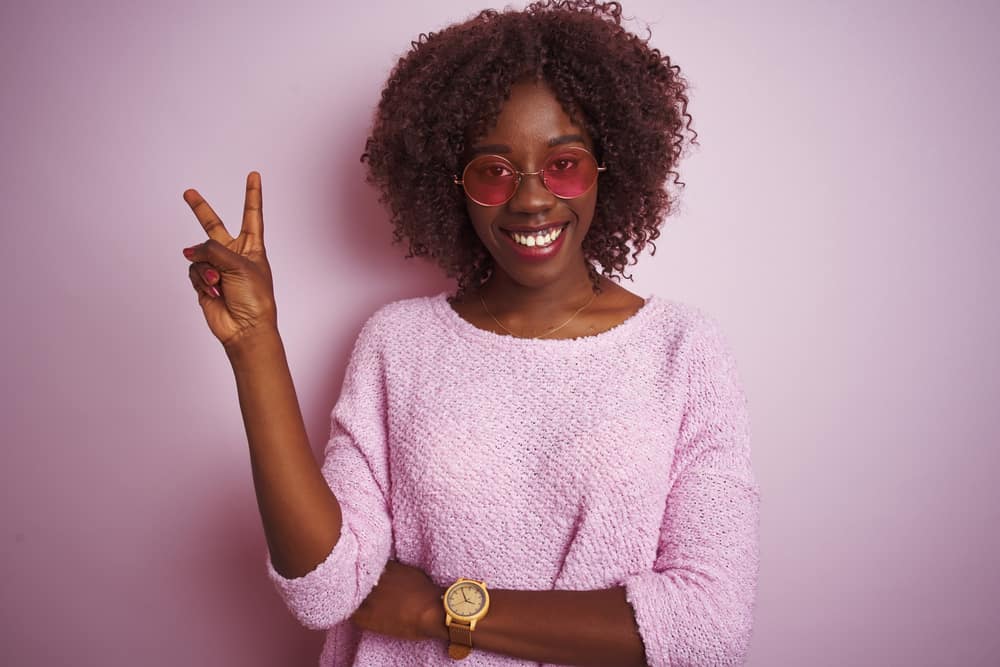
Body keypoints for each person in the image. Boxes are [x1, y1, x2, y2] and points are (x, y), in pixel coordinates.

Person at [180, 1, 761, 665]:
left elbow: (709, 627)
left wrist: (443, 607)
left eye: (564, 163)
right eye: (494, 169)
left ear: (610, 165)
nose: (532, 198)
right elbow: (325, 590)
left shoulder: (684, 351)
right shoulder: (398, 344)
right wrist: (256, 347)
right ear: (452, 186)